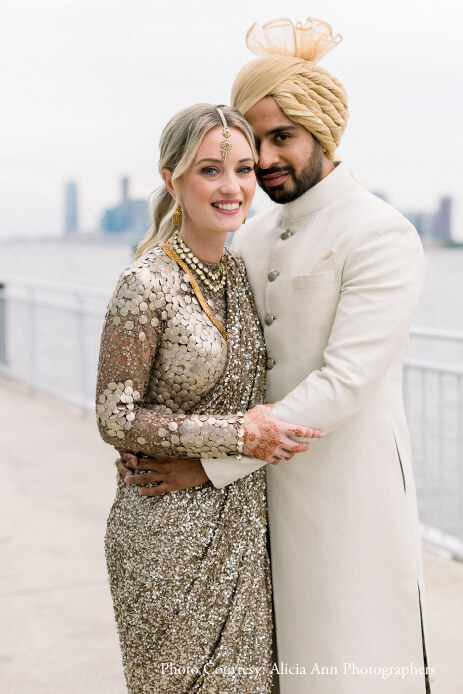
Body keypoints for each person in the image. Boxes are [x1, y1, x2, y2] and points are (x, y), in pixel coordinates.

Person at [118, 17, 431, 694]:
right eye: (253, 140)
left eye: (281, 136)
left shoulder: (379, 234)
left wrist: (206, 460)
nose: (263, 159)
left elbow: (345, 383)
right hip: (250, 508)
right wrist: (159, 433)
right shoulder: (252, 238)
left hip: (346, 495)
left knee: (353, 665)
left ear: (323, 132)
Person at [96, 102, 321, 694]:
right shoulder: (145, 283)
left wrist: (217, 458)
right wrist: (237, 435)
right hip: (165, 540)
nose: (233, 187)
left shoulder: (244, 273)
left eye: (245, 170)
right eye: (210, 170)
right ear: (171, 179)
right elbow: (114, 416)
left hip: (242, 528)